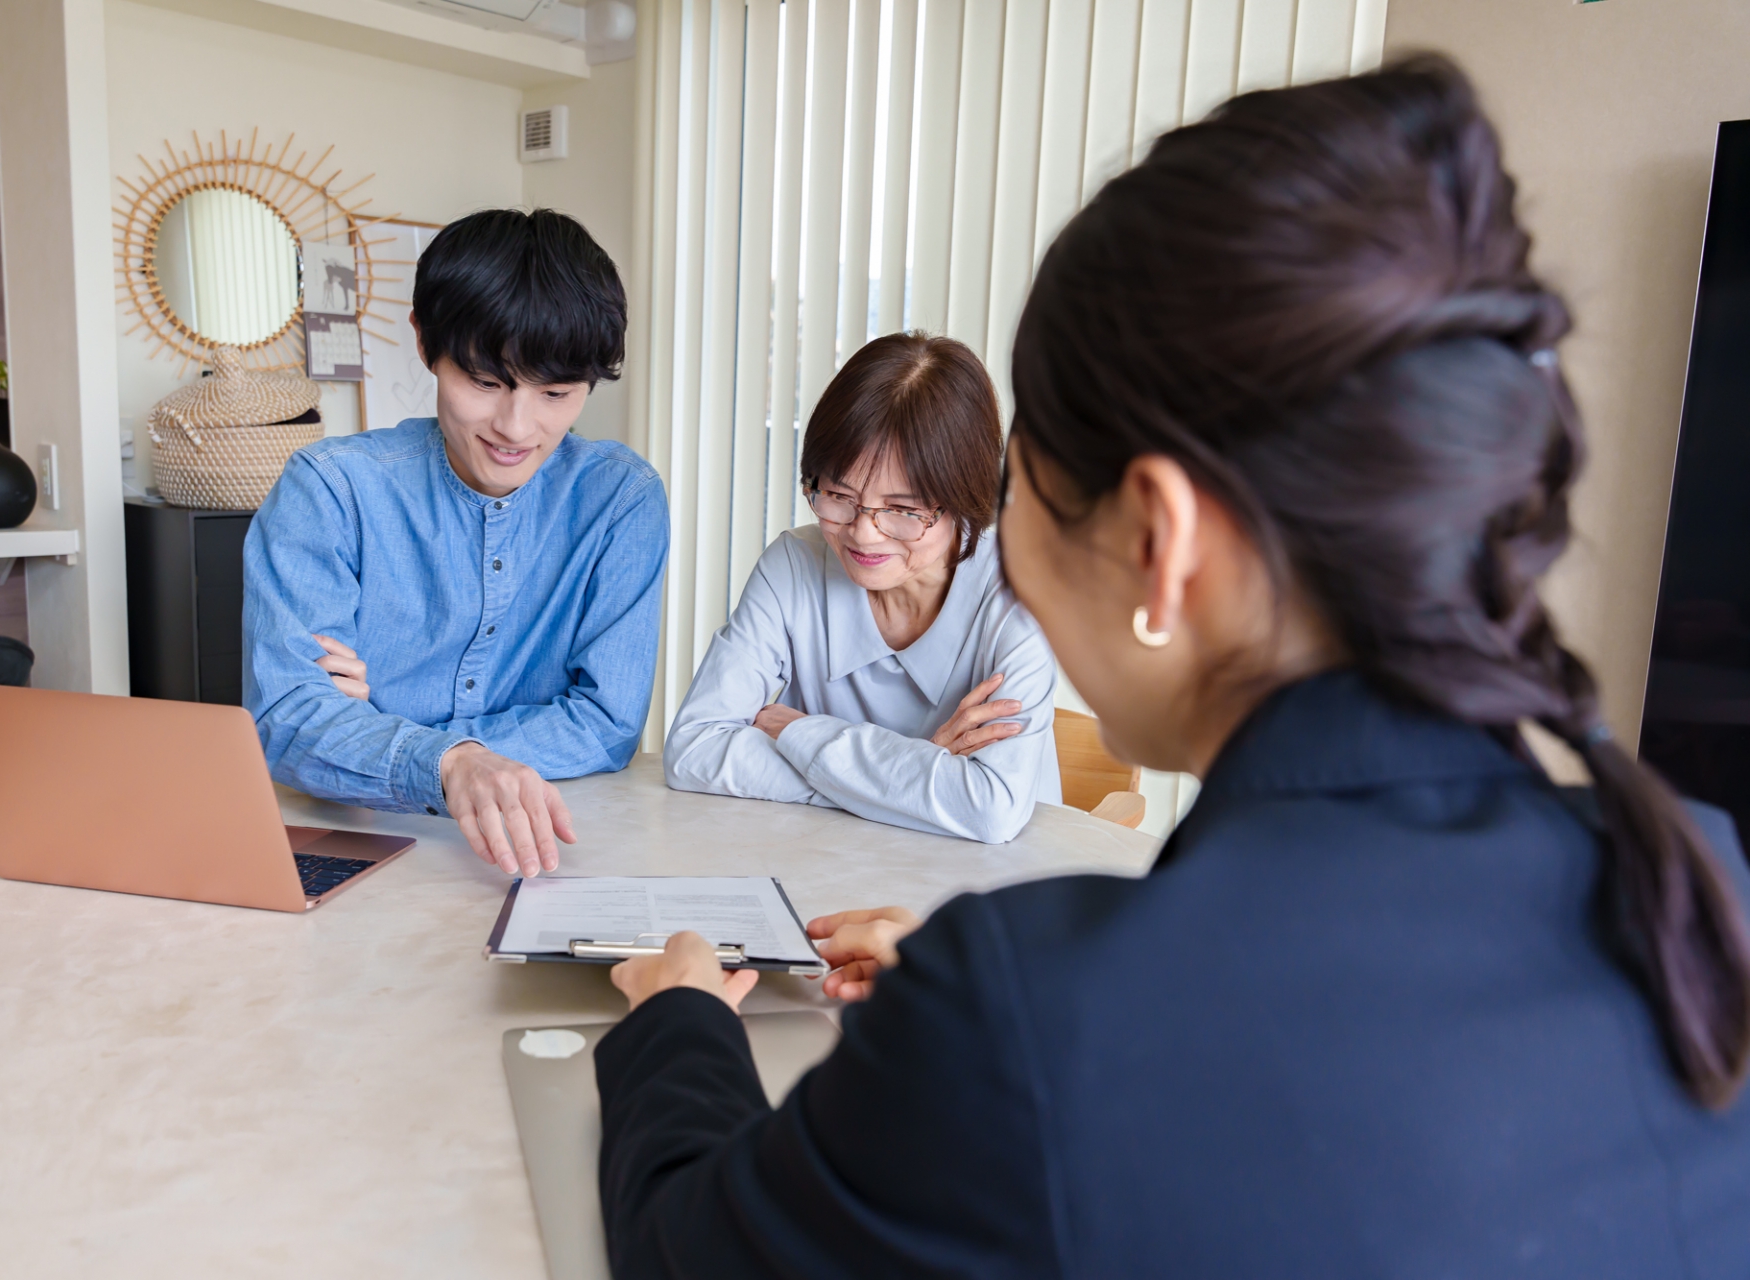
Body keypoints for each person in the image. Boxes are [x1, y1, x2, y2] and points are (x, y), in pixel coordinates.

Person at [592, 57, 1750, 1277]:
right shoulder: (1706, 892)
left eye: (1025, 490)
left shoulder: (1028, 1009)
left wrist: (681, 1016)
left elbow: (687, 1248)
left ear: (1158, 536)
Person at [242, 209, 667, 880]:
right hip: (355, 842)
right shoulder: (330, 490)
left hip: (555, 847)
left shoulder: (621, 500)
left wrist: (396, 738)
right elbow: (289, 720)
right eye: (486, 383)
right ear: (425, 343)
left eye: (555, 393)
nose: (516, 427)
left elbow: (606, 724)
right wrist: (449, 764)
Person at [662, 333, 1060, 844]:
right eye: (839, 494)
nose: (863, 533)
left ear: (968, 496)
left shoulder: (1022, 597)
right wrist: (914, 772)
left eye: (902, 508)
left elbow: (989, 811)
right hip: (831, 867)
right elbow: (693, 750)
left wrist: (802, 735)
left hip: (999, 880)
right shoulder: (793, 567)